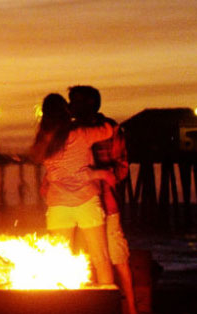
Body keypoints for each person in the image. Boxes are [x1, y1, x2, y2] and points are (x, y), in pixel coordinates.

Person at [31, 92, 116, 288]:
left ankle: (64, 305)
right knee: (100, 257)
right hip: (86, 200)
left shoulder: (42, 141)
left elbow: (57, 174)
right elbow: (109, 130)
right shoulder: (80, 133)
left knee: (59, 261)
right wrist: (100, 174)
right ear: (65, 111)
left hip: (58, 204)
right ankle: (106, 303)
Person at [71, 85, 137, 314]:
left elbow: (122, 168)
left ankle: (131, 308)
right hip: (81, 204)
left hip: (106, 204)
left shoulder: (110, 129)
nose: (72, 107)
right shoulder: (71, 130)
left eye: (76, 102)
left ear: (91, 104)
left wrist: (97, 175)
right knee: (86, 257)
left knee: (117, 256)